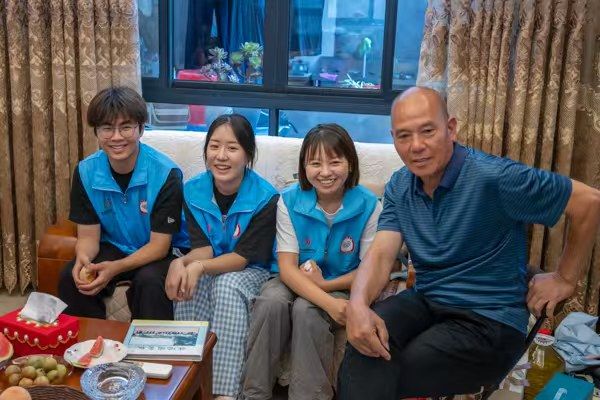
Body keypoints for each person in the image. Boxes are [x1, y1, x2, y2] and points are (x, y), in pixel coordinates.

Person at [338, 86, 600, 399]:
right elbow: (382, 253)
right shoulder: (400, 185)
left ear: (451, 128)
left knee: (389, 366)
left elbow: (588, 202)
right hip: (428, 300)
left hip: (489, 320)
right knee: (365, 340)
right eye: (404, 136)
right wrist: (357, 305)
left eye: (427, 131)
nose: (416, 146)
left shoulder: (496, 178)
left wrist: (565, 278)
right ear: (393, 138)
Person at [242, 124, 382, 400]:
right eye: (315, 163)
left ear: (350, 164)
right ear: (304, 167)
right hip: (290, 279)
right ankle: (253, 394)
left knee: (307, 310)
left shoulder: (369, 205)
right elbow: (286, 269)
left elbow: (370, 271)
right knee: (271, 301)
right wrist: (328, 302)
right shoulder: (288, 201)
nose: (325, 172)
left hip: (342, 283)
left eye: (335, 162)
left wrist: (326, 287)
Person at [165, 114, 278, 400]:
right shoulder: (193, 191)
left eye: (232, 148)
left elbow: (241, 259)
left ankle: (224, 392)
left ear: (248, 154)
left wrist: (198, 266)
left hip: (253, 269)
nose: (221, 156)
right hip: (212, 262)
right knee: (190, 282)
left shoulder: (266, 197)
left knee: (226, 285)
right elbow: (202, 247)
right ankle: (187, 383)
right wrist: (182, 263)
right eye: (214, 146)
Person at [58, 86, 188, 320]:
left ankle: (149, 344)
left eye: (126, 127)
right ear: (97, 131)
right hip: (114, 246)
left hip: (158, 251)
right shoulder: (86, 172)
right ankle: (89, 342)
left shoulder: (166, 174)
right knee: (70, 277)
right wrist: (83, 258)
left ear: (141, 129)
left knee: (149, 282)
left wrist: (115, 268)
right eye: (107, 128)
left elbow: (159, 246)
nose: (116, 137)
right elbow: (88, 237)